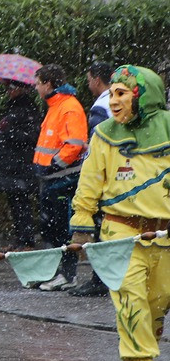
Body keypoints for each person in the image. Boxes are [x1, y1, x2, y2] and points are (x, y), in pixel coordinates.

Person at [69, 65, 170, 361]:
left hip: (165, 235)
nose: (113, 100)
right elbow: (90, 181)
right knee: (130, 297)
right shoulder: (105, 135)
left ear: (143, 96)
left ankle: (141, 344)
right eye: (111, 93)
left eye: (121, 93)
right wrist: (82, 224)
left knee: (159, 298)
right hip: (120, 232)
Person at [32, 63, 88, 291]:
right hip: (53, 179)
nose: (36, 88)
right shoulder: (57, 106)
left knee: (60, 230)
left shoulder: (68, 107)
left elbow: (74, 144)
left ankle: (66, 275)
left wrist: (53, 165)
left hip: (63, 179)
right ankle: (58, 274)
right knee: (52, 228)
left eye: (38, 83)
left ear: (48, 83)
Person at [70, 61, 114, 297]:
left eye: (89, 79)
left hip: (103, 176)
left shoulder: (102, 105)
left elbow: (98, 146)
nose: (88, 84)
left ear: (97, 79)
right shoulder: (120, 100)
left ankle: (99, 280)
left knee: (99, 229)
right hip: (118, 175)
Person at [0, 81, 40, 252]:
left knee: (22, 203)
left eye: (11, 88)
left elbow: (33, 136)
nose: (8, 91)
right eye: (7, 88)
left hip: (20, 166)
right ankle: (20, 239)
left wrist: (10, 132)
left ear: (21, 88)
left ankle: (27, 240)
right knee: (15, 203)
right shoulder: (12, 107)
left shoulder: (28, 108)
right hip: (10, 165)